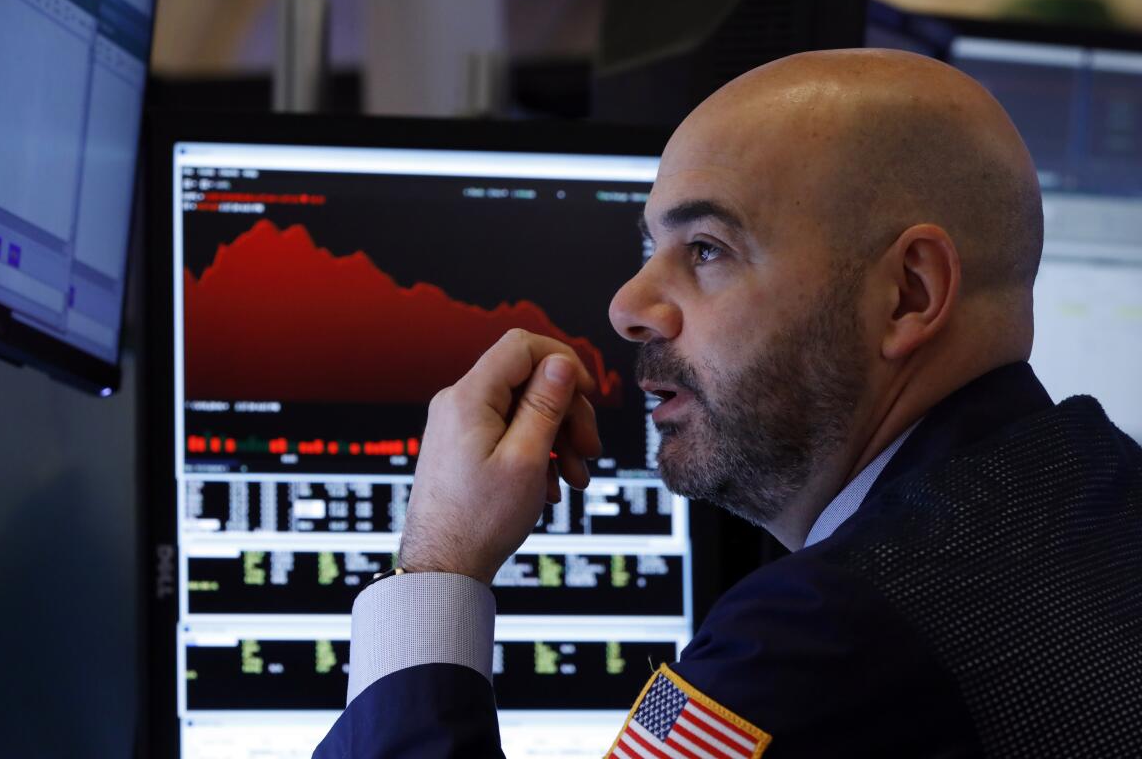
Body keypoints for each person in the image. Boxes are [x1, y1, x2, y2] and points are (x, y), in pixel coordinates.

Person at [313, 49, 1142, 758]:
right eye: (650, 247)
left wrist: (439, 564)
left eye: (706, 248)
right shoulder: (1104, 490)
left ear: (907, 294)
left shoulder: (825, 636)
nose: (628, 304)